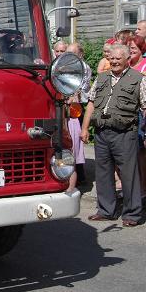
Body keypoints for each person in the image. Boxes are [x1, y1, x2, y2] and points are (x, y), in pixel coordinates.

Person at [80, 44, 144, 227]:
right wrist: (85, 129)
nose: (114, 61)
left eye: (118, 58)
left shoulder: (138, 79)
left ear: (127, 59)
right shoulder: (101, 78)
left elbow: (145, 107)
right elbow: (91, 105)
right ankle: (106, 211)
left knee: (129, 174)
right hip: (101, 133)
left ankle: (132, 214)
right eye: (112, 58)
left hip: (124, 134)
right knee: (103, 172)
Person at [66, 42, 91, 187]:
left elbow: (78, 86)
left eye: (72, 53)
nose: (69, 56)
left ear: (80, 54)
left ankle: (80, 175)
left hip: (78, 105)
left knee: (77, 140)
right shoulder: (68, 65)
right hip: (70, 104)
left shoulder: (83, 67)